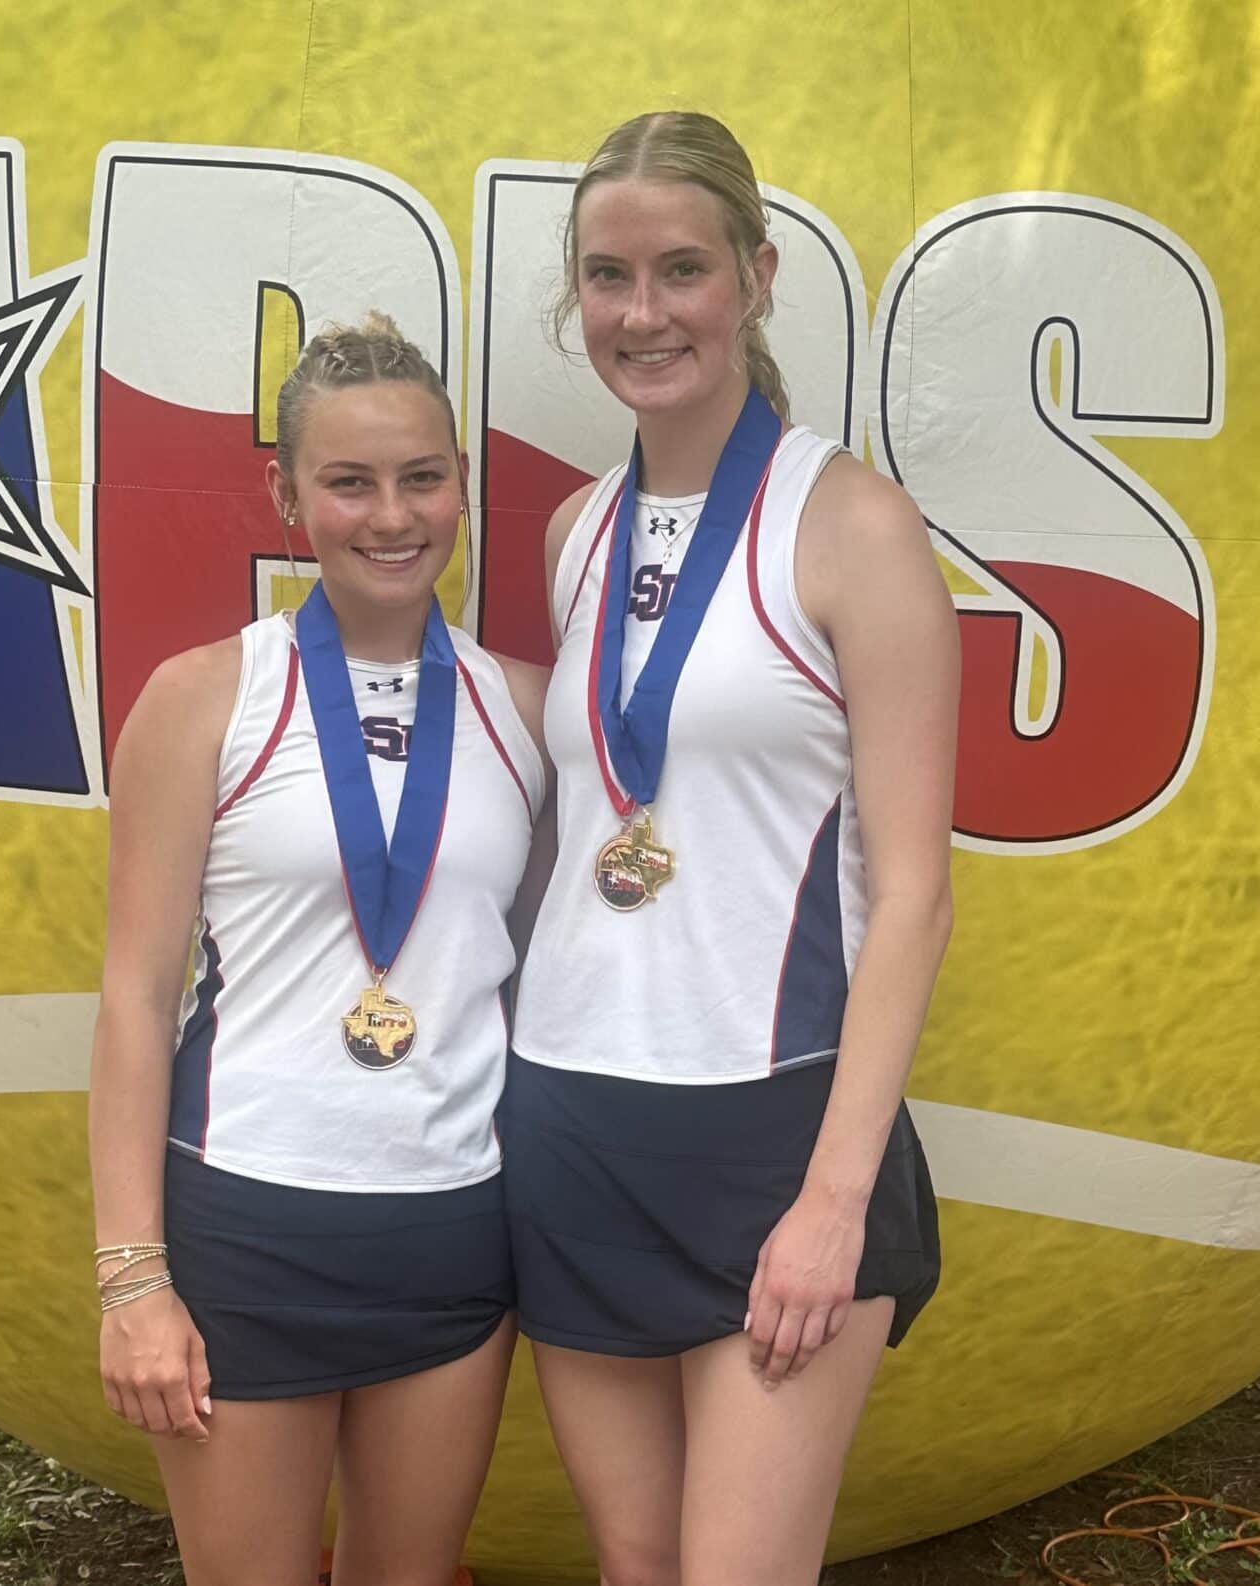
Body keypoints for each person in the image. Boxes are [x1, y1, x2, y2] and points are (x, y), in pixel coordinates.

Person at [504, 111, 958, 1586]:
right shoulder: (574, 532)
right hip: (572, 1117)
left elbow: (913, 894)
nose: (645, 314)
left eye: (683, 268)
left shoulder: (855, 528)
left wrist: (832, 1203)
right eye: (610, 277)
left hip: (776, 1133)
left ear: (756, 278)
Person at [87, 315, 547, 1586]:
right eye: (348, 481)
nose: (390, 515)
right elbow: (135, 993)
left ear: (462, 480)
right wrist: (132, 1277)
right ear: (287, 493)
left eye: (421, 476)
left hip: (456, 1228)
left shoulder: (525, 710)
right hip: (246, 1230)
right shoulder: (202, 695)